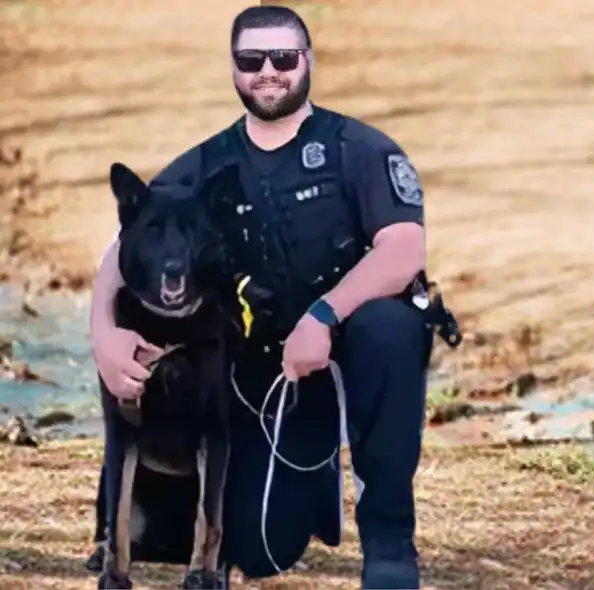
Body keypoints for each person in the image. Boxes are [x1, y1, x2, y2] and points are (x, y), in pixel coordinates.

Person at [87, 5, 460, 589]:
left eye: (283, 58)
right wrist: (104, 337)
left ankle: (389, 544)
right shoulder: (208, 161)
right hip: (267, 376)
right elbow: (125, 246)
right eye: (251, 59)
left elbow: (402, 249)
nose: (268, 71)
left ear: (307, 62)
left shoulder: (357, 148)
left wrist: (325, 314)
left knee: (388, 327)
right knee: (260, 549)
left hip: (351, 350)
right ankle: (308, 486)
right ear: (234, 69)